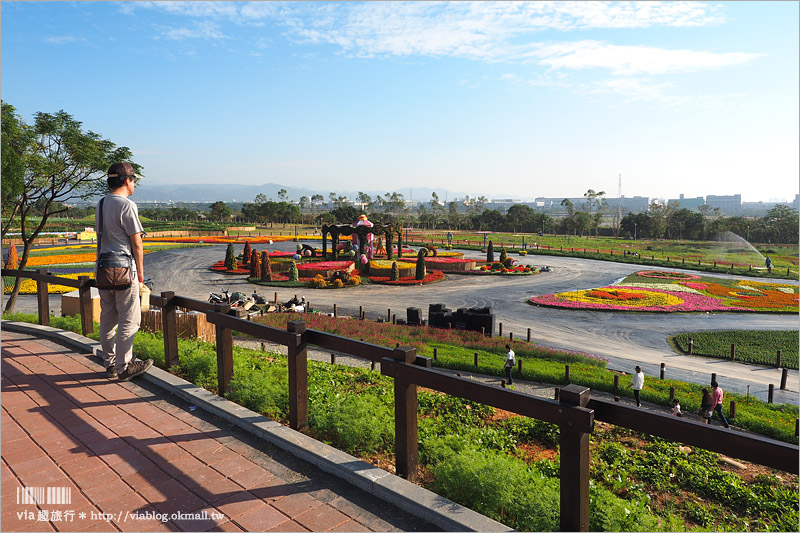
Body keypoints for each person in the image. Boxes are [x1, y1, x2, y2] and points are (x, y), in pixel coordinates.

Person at [96, 162, 153, 381]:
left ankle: (110, 364)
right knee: (130, 317)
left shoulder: (101, 204)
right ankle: (124, 366)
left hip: (103, 269)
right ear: (127, 180)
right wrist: (140, 274)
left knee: (108, 317)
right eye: (134, 180)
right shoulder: (127, 205)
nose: (135, 184)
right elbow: (136, 243)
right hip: (124, 270)